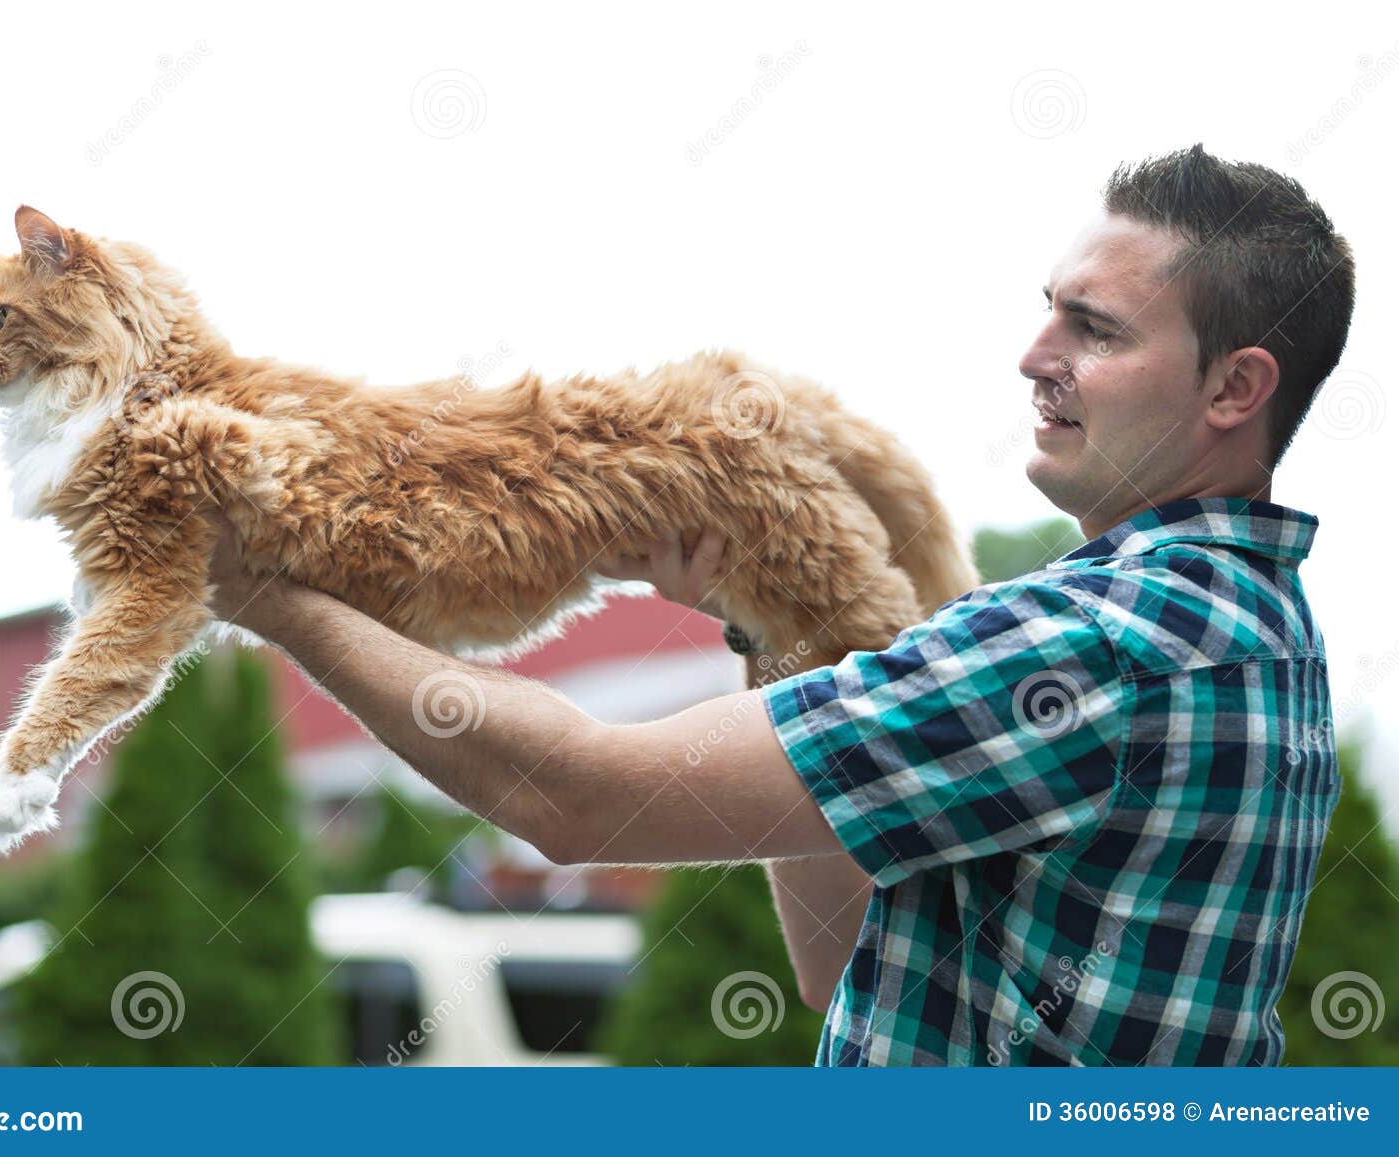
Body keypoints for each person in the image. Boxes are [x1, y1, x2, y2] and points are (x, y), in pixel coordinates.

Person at [207, 145, 1354, 1066]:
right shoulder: (1254, 621)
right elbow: (838, 959)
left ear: (1233, 385)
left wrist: (271, 594)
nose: (1031, 354)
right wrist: (768, 622)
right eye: (1047, 310)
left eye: (1092, 329)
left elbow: (569, 798)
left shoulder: (1101, 638)